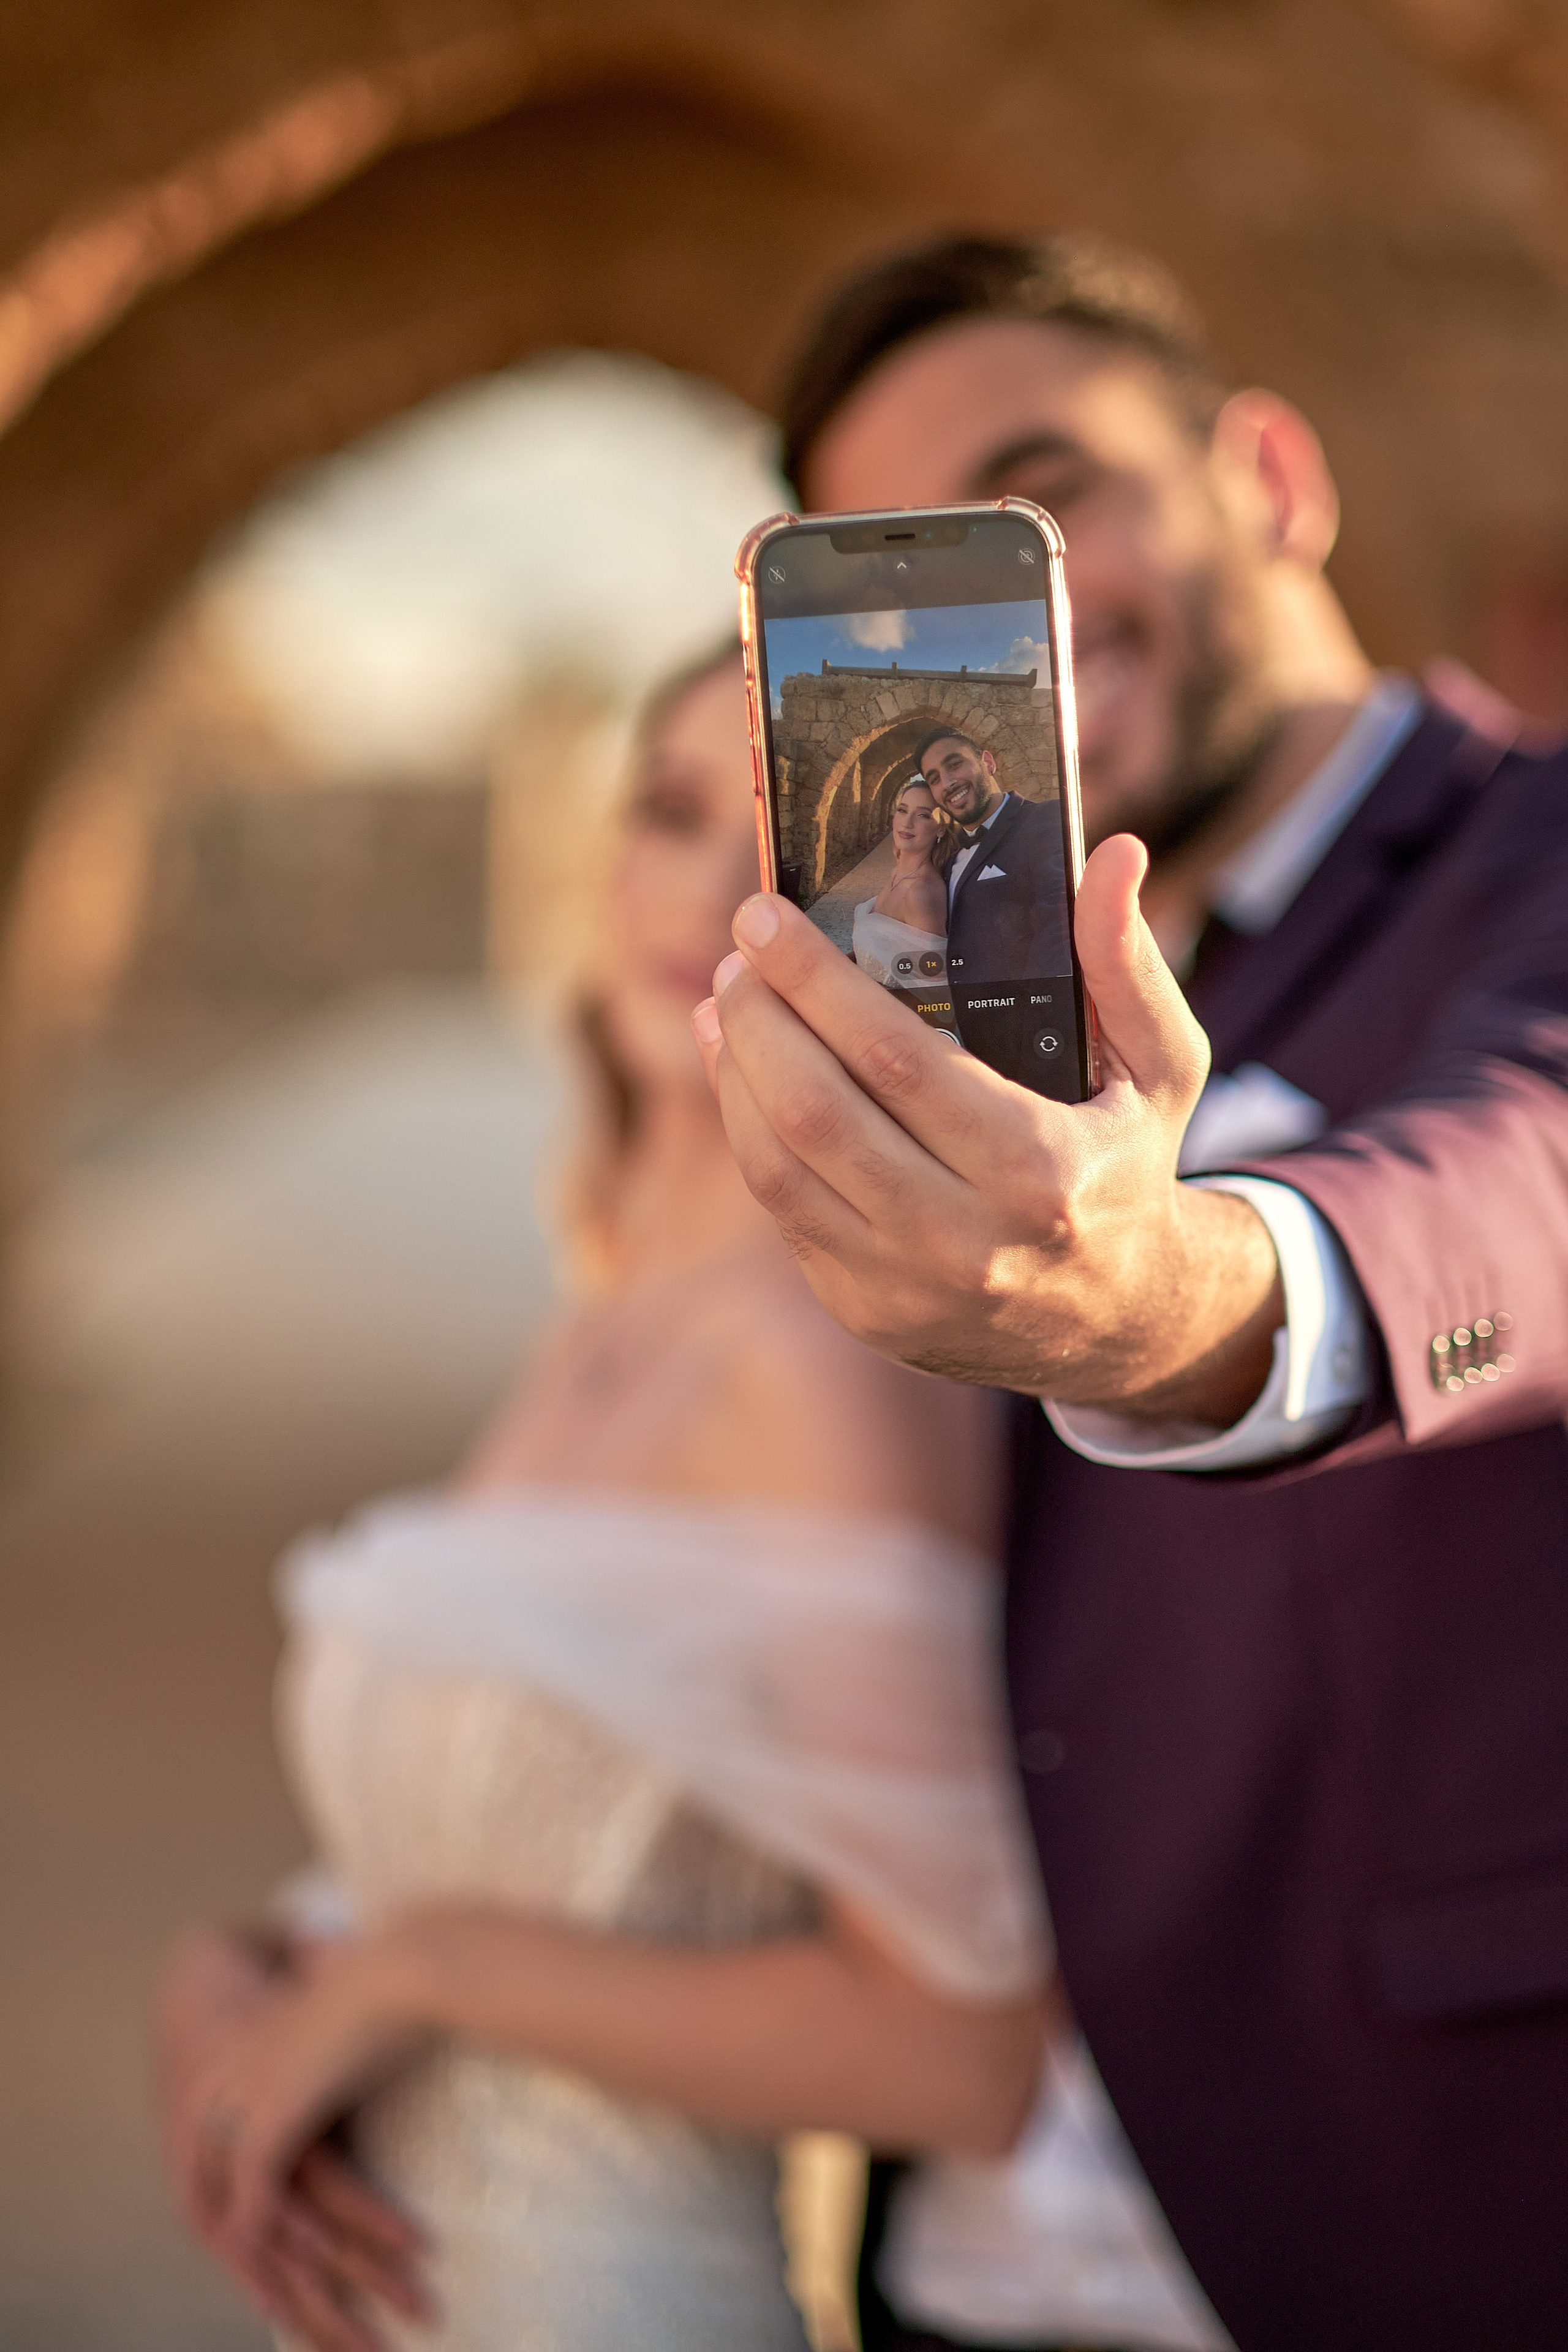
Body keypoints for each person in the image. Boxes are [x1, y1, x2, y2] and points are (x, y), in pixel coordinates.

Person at [694, 233, 1568, 2351]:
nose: (1034, 616)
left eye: (1048, 496)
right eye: (906, 568)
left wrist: (1170, 1296)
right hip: (961, 2275)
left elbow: (1524, 1177)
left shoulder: (1534, 858)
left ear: (1268, 475)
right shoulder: (916, 1004)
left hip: (1416, 2230)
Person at [151, 646, 1055, 2352]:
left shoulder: (812, 1366)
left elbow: (960, 2052)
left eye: (798, 852)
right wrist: (242, 1971)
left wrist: (414, 1979)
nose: (713, 890)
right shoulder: (613, 1303)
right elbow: (535, 1816)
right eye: (669, 810)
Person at [914, 730, 1071, 987]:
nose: (948, 782)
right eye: (934, 779)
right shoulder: (943, 853)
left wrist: (1039, 1012)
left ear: (987, 762)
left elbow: (1060, 928)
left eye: (955, 765)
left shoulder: (1046, 820)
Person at [851, 774, 951, 1004]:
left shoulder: (921, 893)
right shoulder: (897, 873)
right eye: (903, 810)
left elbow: (937, 993)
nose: (907, 823)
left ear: (941, 829)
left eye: (924, 815)